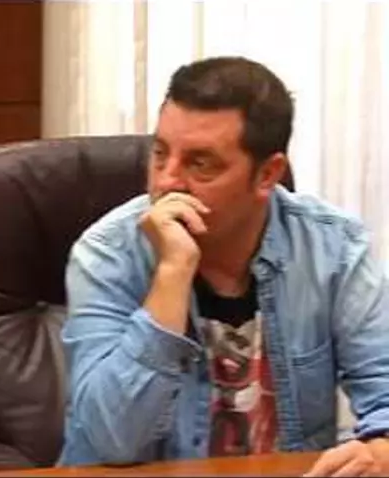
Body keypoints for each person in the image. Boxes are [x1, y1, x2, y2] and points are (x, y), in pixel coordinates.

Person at [58, 56, 389, 476]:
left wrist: (380, 449)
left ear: (267, 174)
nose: (166, 182)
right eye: (160, 154)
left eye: (200, 163)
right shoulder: (108, 253)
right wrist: (172, 273)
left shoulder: (334, 249)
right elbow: (112, 440)